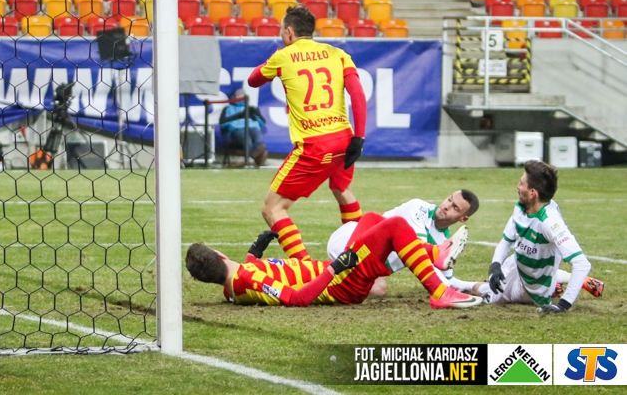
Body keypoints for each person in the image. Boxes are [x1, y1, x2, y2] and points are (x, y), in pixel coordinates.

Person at [246, 6, 367, 262]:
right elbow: (357, 93)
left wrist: (276, 58)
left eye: (281, 30)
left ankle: (305, 268)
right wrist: (359, 137)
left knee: (272, 208)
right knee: (342, 189)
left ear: (289, 32)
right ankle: (359, 257)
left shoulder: (283, 56)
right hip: (345, 139)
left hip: (315, 145)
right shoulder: (338, 54)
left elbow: (253, 80)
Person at [186, 211, 482, 308]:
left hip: (339, 271)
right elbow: (297, 299)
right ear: (220, 254)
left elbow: (236, 280)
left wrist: (254, 252)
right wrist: (337, 268)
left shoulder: (231, 286)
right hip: (342, 282)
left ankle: (436, 255)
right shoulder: (247, 278)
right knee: (395, 226)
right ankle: (439, 290)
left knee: (371, 219)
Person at [483, 160, 604, 312]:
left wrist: (563, 305)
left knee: (484, 294)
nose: (517, 186)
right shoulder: (521, 208)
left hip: (534, 288)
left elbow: (582, 263)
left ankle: (563, 283)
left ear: (532, 193)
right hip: (518, 265)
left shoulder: (550, 222)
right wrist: (495, 266)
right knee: (491, 283)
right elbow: (506, 241)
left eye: (521, 183)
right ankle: (573, 280)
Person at [328, 190, 483, 297]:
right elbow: (419, 254)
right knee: (363, 287)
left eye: (455, 207)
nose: (446, 206)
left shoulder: (444, 240)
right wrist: (446, 290)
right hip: (349, 239)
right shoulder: (419, 208)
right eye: (449, 199)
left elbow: (448, 279)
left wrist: (478, 287)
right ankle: (330, 272)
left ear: (463, 218)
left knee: (378, 289)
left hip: (370, 260)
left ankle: (328, 273)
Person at [219, 88, 268, 166]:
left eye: (242, 95)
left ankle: (257, 155)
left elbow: (262, 123)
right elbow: (223, 124)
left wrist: (256, 115)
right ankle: (257, 157)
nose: (241, 97)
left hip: (252, 127)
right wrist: (238, 116)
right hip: (236, 129)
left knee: (258, 137)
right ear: (234, 97)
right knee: (247, 140)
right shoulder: (228, 109)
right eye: (238, 95)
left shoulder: (251, 108)